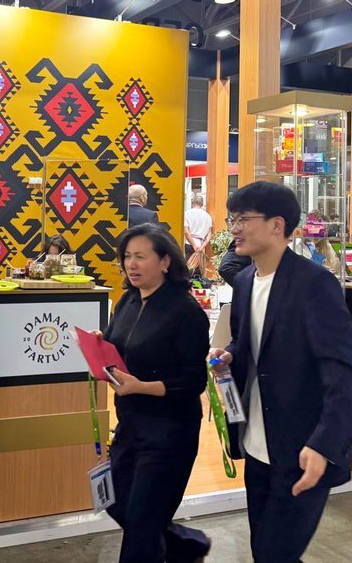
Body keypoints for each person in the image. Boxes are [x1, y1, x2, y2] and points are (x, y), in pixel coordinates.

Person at [210, 181, 352, 563]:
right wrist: (230, 355)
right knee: (264, 550)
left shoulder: (314, 284)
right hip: (256, 443)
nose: (235, 228)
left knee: (273, 553)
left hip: (301, 448)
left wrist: (325, 444)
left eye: (243, 219)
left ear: (277, 225)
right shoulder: (245, 281)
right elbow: (250, 344)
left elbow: (346, 373)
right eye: (232, 220)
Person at [99, 223, 211, 563]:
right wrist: (98, 346)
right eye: (127, 257)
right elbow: (116, 344)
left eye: (140, 257)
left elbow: (194, 380)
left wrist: (141, 386)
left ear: (165, 262)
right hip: (130, 425)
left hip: (170, 431)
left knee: (142, 527)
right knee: (116, 501)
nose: (131, 264)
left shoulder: (185, 311)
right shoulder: (128, 300)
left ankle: (171, 546)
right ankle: (184, 545)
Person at [184, 194, 213, 272]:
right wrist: (201, 247)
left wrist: (194, 245)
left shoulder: (187, 214)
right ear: (202, 204)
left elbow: (186, 232)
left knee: (188, 268)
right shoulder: (208, 216)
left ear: (192, 203)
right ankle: (197, 280)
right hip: (201, 244)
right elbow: (209, 235)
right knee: (199, 269)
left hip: (189, 243)